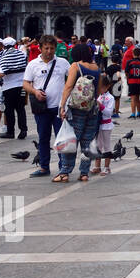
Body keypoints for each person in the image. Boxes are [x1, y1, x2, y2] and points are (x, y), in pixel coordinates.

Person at [57, 42, 102, 183]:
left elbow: (68, 86)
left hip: (76, 109)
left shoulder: (75, 66)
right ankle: (84, 173)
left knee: (71, 139)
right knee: (87, 142)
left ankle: (65, 172)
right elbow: (99, 91)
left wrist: (62, 106)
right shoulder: (97, 68)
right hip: (92, 109)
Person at [0, 36, 28, 139]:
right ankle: (23, 130)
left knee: (9, 110)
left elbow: (1, 73)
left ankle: (10, 132)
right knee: (21, 109)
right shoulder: (21, 54)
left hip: (8, 87)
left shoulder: (4, 57)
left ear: (4, 46)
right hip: (21, 86)